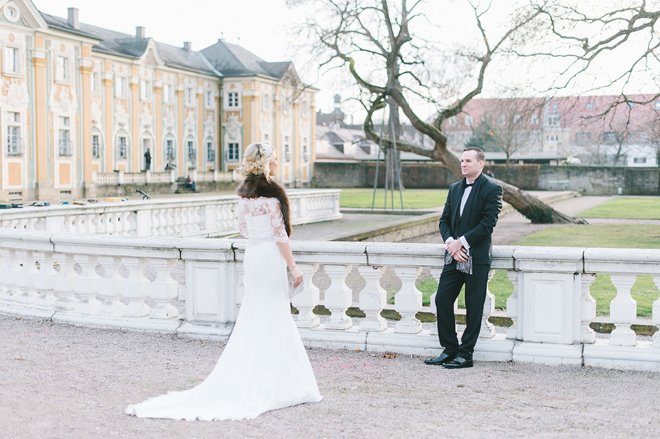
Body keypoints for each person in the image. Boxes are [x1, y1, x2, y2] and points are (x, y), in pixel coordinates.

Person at [126, 142, 322, 421]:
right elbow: (280, 236)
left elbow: (242, 229)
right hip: (269, 258)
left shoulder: (245, 196)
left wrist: (259, 237)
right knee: (274, 314)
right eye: (274, 160)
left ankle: (266, 377)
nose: (277, 164)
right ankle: (283, 383)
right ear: (266, 164)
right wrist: (294, 266)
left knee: (255, 314)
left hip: (253, 256)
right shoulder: (273, 195)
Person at [424, 147, 502, 369]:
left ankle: (465, 354)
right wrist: (451, 244)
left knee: (473, 305)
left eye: (468, 161)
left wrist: (463, 242)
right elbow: (444, 221)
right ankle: (449, 349)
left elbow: (488, 224)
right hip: (454, 255)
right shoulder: (455, 188)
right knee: (442, 299)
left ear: (481, 163)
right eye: (462, 161)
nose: (464, 164)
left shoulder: (492, 188)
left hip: (475, 257)